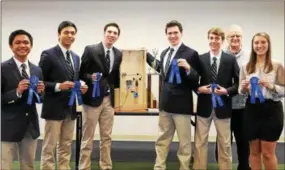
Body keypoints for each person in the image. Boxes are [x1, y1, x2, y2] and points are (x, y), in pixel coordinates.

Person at [146, 20, 199, 170]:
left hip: (182, 105)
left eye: (175, 32)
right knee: (162, 140)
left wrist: (189, 69)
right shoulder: (164, 53)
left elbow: (196, 79)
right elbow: (163, 73)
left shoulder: (190, 53)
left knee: (184, 142)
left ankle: (184, 167)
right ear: (166, 35)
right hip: (165, 104)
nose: (172, 35)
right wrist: (146, 55)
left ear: (181, 33)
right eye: (169, 33)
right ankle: (159, 167)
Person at [39, 21, 88, 170]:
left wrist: (81, 88)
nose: (70, 36)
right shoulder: (48, 54)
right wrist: (59, 86)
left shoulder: (76, 57)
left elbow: (74, 80)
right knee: (49, 147)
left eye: (73, 33)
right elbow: (40, 83)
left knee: (66, 146)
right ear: (58, 34)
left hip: (70, 109)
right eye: (66, 32)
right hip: (53, 108)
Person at [192, 27, 239, 170]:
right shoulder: (201, 59)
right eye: (211, 38)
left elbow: (238, 83)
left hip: (223, 108)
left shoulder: (230, 59)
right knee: (200, 143)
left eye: (217, 38)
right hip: (204, 108)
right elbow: (193, 79)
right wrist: (198, 89)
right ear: (208, 40)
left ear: (222, 40)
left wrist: (226, 91)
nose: (214, 41)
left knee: (225, 144)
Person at [79, 22, 122, 170]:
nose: (112, 35)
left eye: (115, 33)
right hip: (91, 100)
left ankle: (106, 166)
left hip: (109, 101)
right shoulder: (90, 50)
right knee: (87, 137)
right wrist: (91, 78)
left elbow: (115, 78)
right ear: (104, 33)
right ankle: (84, 167)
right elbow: (81, 73)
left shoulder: (118, 53)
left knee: (107, 137)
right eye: (109, 32)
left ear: (117, 36)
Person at [239, 32, 284, 170]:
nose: (259, 45)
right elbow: (241, 91)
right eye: (256, 43)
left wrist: (271, 86)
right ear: (252, 46)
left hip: (271, 111)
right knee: (254, 152)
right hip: (252, 110)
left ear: (268, 44)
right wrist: (244, 88)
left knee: (268, 154)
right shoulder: (246, 66)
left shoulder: (277, 65)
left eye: (263, 42)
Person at [1, 29, 44, 170]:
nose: (22, 45)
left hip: (30, 126)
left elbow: (40, 99)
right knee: (5, 165)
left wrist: (41, 93)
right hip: (7, 126)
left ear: (31, 46)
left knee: (29, 165)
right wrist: (17, 92)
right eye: (17, 42)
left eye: (26, 42)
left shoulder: (37, 70)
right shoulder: (2, 68)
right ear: (11, 46)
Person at [214, 24, 251, 170]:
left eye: (238, 36)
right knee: (223, 141)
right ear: (227, 38)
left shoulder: (250, 56)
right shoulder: (220, 55)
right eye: (232, 36)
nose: (235, 38)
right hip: (224, 106)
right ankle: (223, 166)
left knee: (243, 140)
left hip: (243, 106)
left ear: (242, 37)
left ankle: (243, 166)